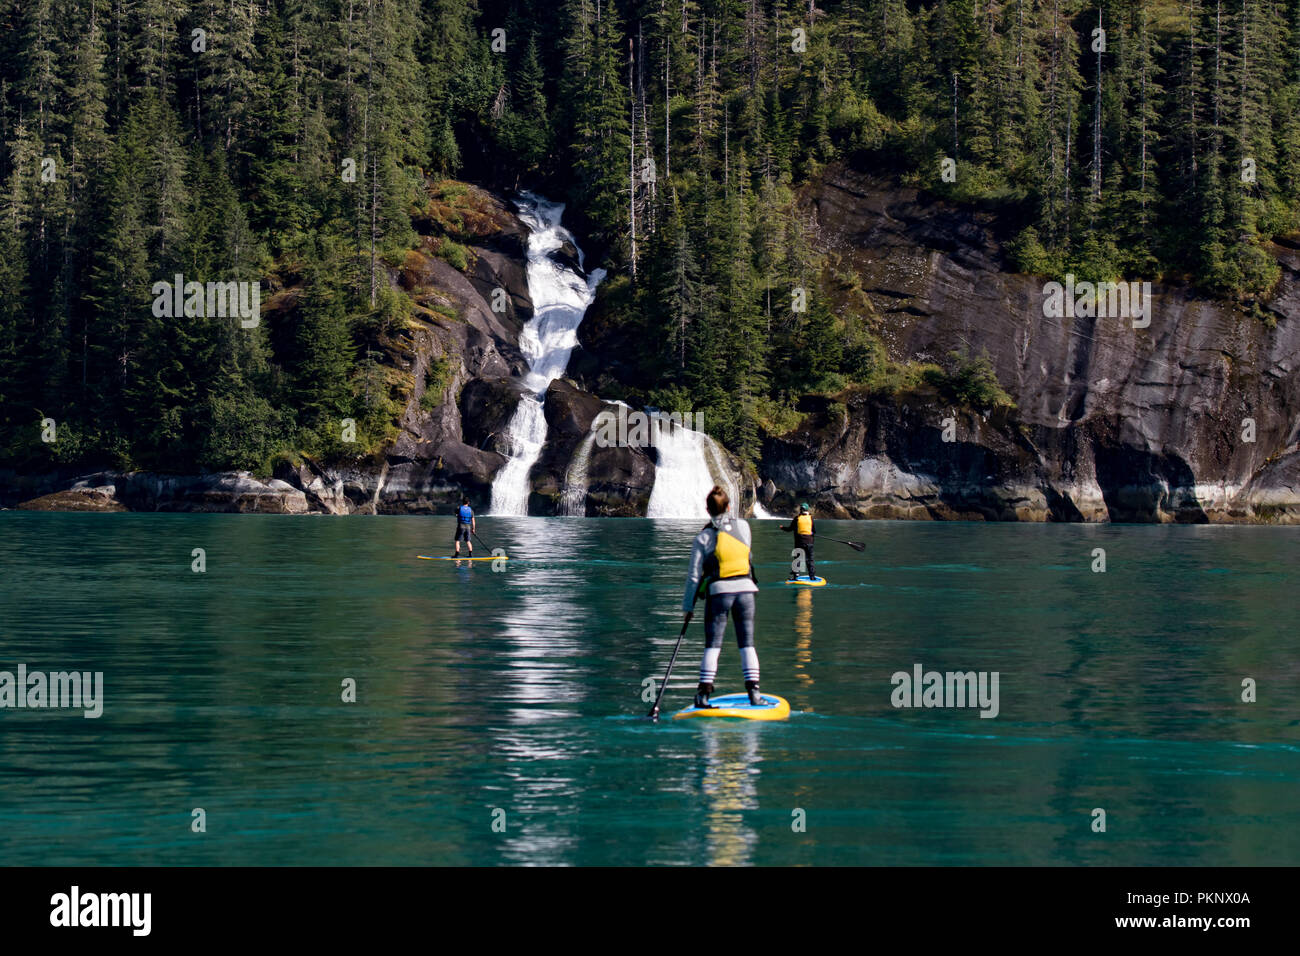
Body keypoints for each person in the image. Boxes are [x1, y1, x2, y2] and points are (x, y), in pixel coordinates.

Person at [680, 485, 763, 708]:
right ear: (729, 506)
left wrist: (688, 607)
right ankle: (754, 693)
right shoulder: (744, 527)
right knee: (747, 643)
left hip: (719, 593)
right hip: (746, 591)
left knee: (713, 645)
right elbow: (747, 557)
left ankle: (703, 695)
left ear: (707, 510)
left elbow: (694, 577)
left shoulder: (704, 537)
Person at [780, 502, 816, 581]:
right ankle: (812, 577)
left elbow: (790, 529)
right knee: (810, 560)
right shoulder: (811, 518)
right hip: (809, 542)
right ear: (807, 510)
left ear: (801, 510)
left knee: (797, 559)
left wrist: (782, 528)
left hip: (799, 542)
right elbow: (814, 531)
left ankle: (795, 576)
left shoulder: (797, 518)